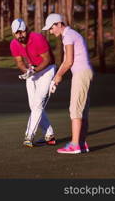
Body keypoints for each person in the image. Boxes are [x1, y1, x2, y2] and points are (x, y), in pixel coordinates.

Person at [42, 13, 93, 154]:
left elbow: (69, 61)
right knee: (82, 110)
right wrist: (56, 77)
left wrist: (58, 75)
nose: (51, 32)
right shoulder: (69, 35)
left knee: (75, 109)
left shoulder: (69, 35)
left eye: (51, 28)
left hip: (81, 73)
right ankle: (82, 143)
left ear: (58, 24)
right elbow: (66, 61)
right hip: (84, 73)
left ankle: (75, 144)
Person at [10, 18, 56, 147]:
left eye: (22, 32)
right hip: (33, 70)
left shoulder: (37, 38)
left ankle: (29, 136)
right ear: (13, 34)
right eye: (17, 33)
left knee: (37, 104)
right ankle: (49, 135)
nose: (20, 35)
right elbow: (19, 62)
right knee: (34, 106)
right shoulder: (14, 44)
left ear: (27, 30)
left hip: (47, 70)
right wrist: (27, 71)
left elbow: (47, 59)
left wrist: (34, 71)